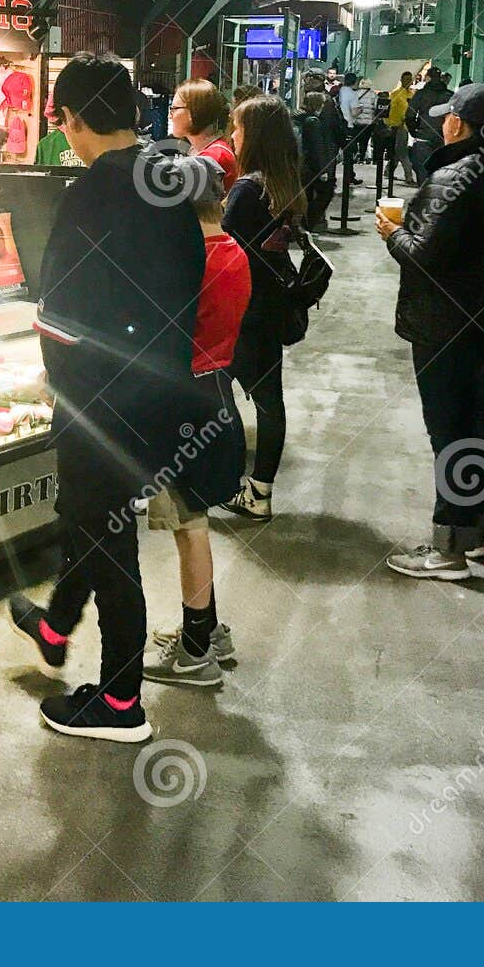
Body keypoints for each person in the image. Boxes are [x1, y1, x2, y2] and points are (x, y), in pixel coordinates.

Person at [8, 54, 206, 742]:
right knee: (98, 526)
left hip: (98, 404)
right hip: (161, 392)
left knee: (107, 541)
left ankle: (121, 701)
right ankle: (57, 626)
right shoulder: (169, 181)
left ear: (69, 119)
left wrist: (53, 384)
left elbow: (58, 312)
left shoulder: (91, 192)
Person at [379, 84, 484, 579]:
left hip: (447, 324)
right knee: (472, 427)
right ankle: (471, 531)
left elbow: (424, 256)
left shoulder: (454, 176)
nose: (442, 122)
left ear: (460, 125)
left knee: (448, 432)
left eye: (449, 117)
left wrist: (393, 232)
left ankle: (447, 550)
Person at [143, 159, 252, 687]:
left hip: (182, 405)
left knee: (189, 527)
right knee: (196, 521)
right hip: (217, 393)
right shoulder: (232, 251)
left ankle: (193, 650)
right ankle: (209, 628)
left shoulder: (191, 262)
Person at [220, 96, 305, 521]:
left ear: (252, 135)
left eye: (237, 128)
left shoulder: (245, 189)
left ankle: (223, 482)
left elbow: (220, 249)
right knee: (270, 402)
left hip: (241, 311)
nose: (233, 136)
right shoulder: (284, 181)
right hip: (273, 307)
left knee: (213, 393)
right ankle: (259, 491)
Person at [170, 78, 238, 187]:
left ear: (194, 112)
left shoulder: (213, 157)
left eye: (174, 109)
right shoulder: (212, 151)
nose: (170, 116)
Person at [297, 90, 338, 232]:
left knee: (307, 196)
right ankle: (306, 224)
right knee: (326, 193)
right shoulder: (313, 122)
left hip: (304, 166)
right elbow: (317, 147)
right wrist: (324, 169)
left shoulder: (302, 119)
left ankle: (304, 224)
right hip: (312, 167)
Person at [406, 69, 452, 182]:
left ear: (428, 78)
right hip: (443, 138)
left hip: (423, 136)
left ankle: (423, 195)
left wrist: (414, 131)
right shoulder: (450, 95)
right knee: (440, 171)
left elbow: (410, 115)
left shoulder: (421, 94)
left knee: (422, 170)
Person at [386, 70, 417, 187]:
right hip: (399, 126)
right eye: (406, 79)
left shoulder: (412, 95)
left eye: (410, 79)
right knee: (403, 152)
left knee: (399, 151)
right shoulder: (395, 94)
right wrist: (391, 124)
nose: (408, 81)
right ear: (401, 80)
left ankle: (388, 171)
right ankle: (408, 176)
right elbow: (391, 111)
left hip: (410, 127)